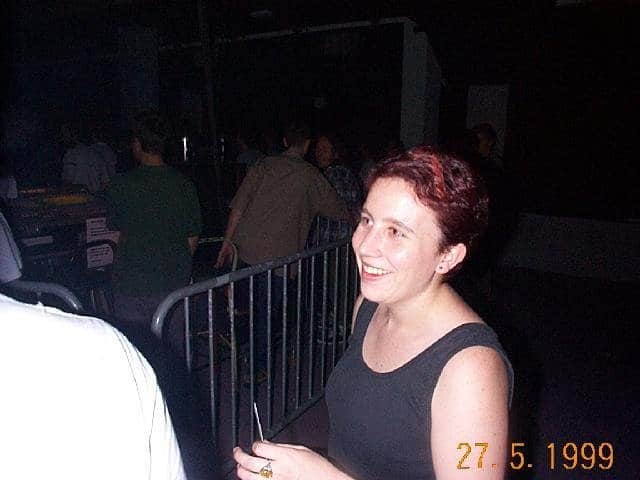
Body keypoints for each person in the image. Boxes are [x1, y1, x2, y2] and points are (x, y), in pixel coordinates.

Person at [233, 146, 513, 480]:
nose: (364, 245)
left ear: (448, 256)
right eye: (367, 220)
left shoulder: (472, 370)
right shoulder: (368, 308)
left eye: (395, 231)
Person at [0, 293, 186, 480]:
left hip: (148, 295)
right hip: (135, 295)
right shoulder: (103, 347)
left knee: (169, 369)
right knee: (165, 371)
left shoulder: (103, 346)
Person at [215, 120, 350, 373]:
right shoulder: (311, 176)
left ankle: (247, 355)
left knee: (248, 309)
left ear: (285, 141)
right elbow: (337, 209)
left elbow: (238, 207)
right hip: (279, 259)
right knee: (266, 314)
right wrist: (360, 218)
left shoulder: (263, 165)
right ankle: (258, 366)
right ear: (307, 144)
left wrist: (226, 242)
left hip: (246, 251)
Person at [105, 111, 201, 356]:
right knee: (172, 354)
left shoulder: (121, 184)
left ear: (137, 143)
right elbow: (192, 238)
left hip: (131, 283)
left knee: (134, 354)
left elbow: (115, 231)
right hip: (172, 285)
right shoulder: (184, 185)